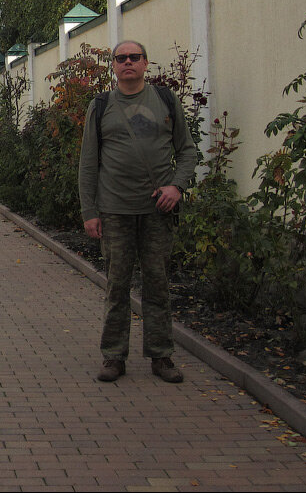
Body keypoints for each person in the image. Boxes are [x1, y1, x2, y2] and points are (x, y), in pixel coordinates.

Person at [78, 40, 198, 384]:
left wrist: (176, 187)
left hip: (157, 211)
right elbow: (89, 163)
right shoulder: (101, 106)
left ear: (146, 63)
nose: (128, 62)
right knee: (116, 286)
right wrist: (90, 211)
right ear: (113, 66)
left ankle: (161, 356)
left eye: (135, 57)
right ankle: (114, 356)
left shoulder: (164, 100)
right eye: (121, 58)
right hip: (115, 211)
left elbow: (187, 152)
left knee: (158, 285)